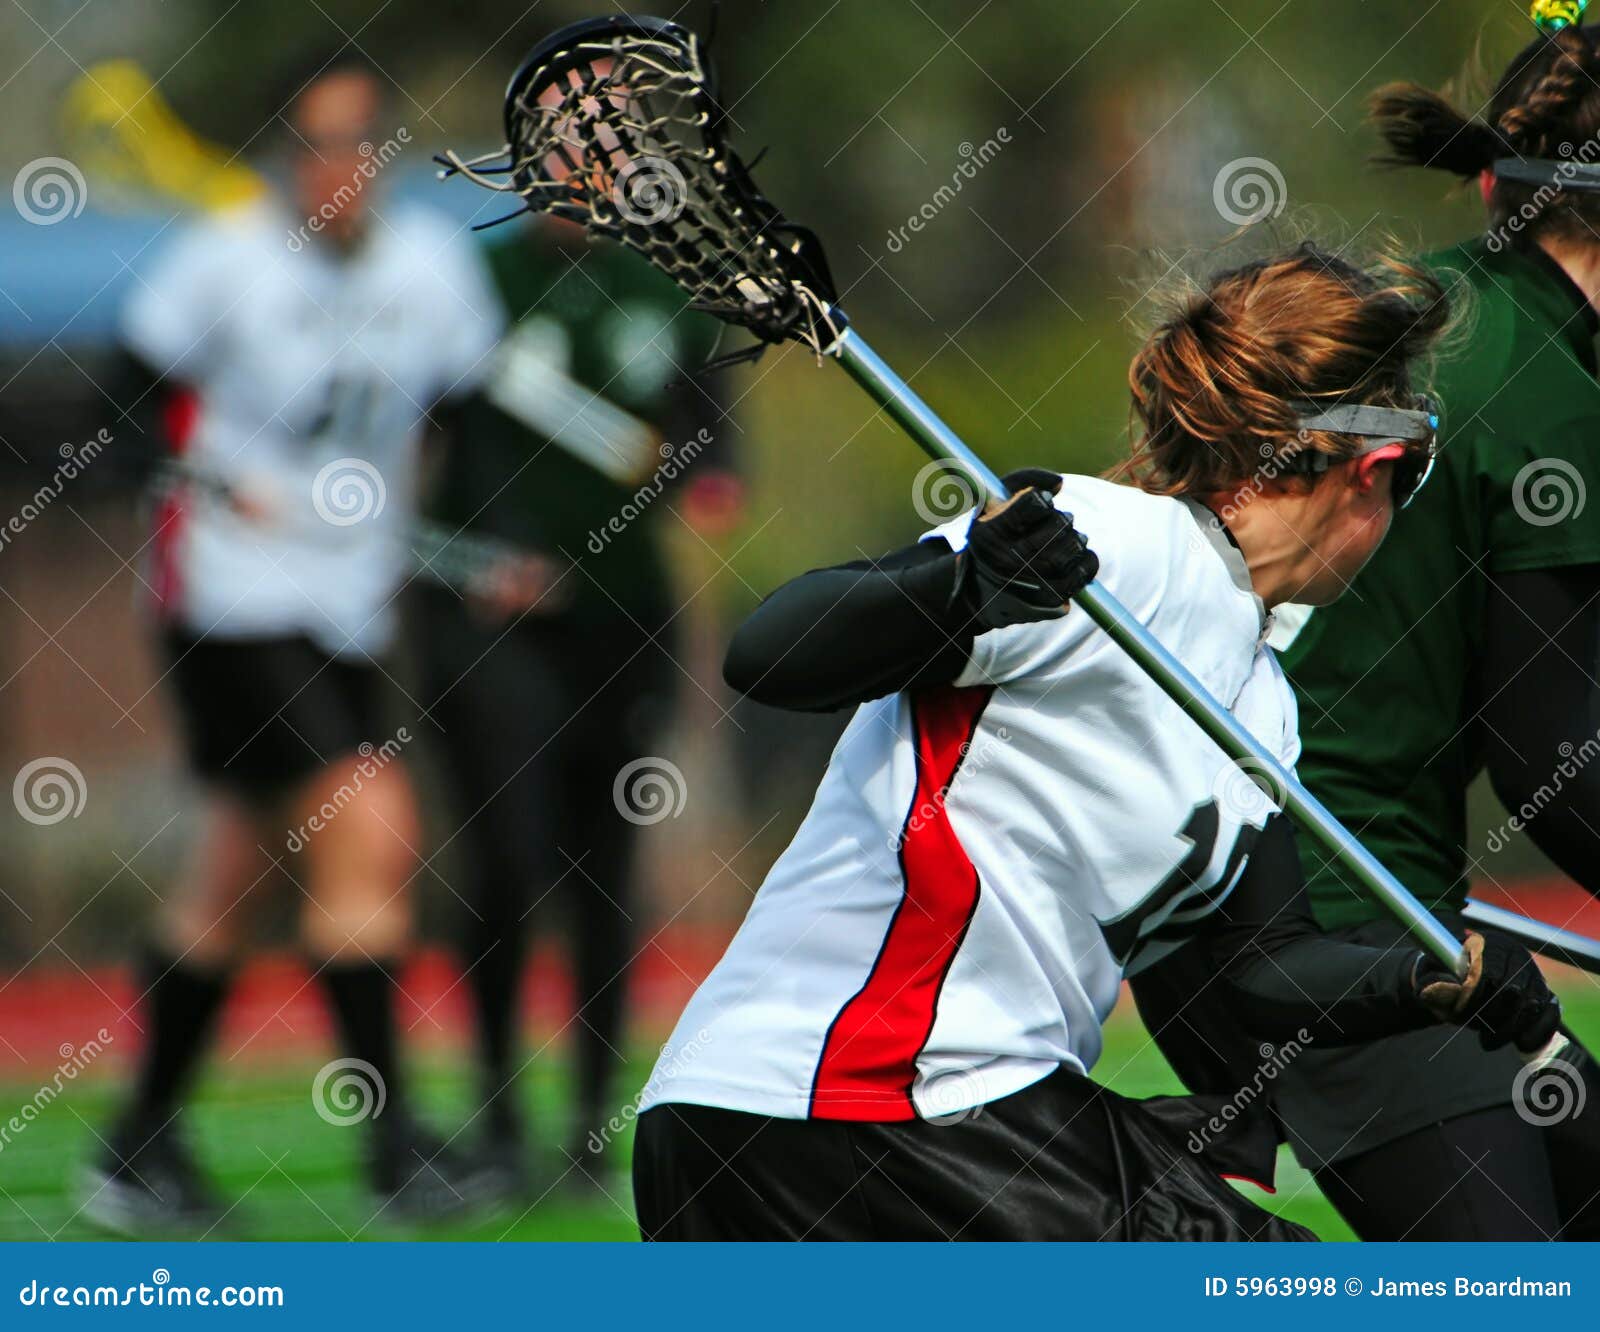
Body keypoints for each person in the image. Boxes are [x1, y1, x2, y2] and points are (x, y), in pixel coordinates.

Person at [630, 243, 1561, 1241]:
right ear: (1374, 468)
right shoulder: (1110, 545)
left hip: (901, 1118)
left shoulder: (1263, 701)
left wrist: (1427, 974)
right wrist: (965, 586)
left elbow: (1264, 968)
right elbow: (774, 652)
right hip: (862, 1104)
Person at [1133, 18, 1600, 1242]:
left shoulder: (1458, 310)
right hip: (1340, 915)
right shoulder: (1540, 377)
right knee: (1505, 1295)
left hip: (1275, 892)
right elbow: (1556, 761)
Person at [81, 59, 503, 1232]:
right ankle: (392, 1146)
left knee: (235, 885)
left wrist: (469, 550)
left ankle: (135, 1147)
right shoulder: (224, 260)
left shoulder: (434, 268)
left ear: (386, 155)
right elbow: (114, 416)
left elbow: (463, 427)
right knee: (371, 835)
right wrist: (203, 474)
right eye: (314, 142)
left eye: (359, 141)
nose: (336, 165)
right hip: (230, 601)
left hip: (352, 607)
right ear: (284, 153)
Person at [415, 213, 730, 1192]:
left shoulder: (664, 284)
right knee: (509, 861)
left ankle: (593, 1124)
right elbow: (406, 426)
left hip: (624, 622)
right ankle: (499, 1119)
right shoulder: (460, 276)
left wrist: (705, 471)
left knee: (606, 874)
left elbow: (709, 432)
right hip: (490, 624)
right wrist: (470, 550)